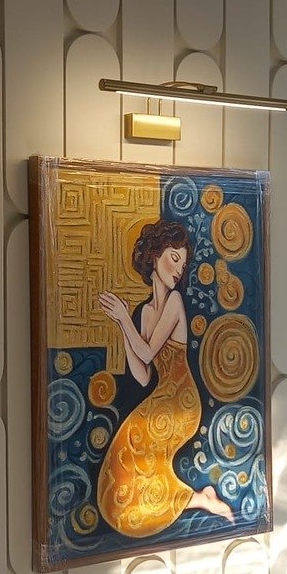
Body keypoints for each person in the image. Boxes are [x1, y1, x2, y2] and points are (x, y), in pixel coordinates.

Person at [96, 219, 234, 537]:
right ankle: (200, 498)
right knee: (126, 453)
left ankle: (199, 499)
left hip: (181, 400)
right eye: (174, 258)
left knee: (136, 448)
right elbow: (143, 375)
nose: (178, 270)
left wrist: (123, 319)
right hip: (162, 395)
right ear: (154, 256)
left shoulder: (174, 302)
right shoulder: (144, 312)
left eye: (183, 265)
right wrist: (123, 326)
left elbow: (146, 353)